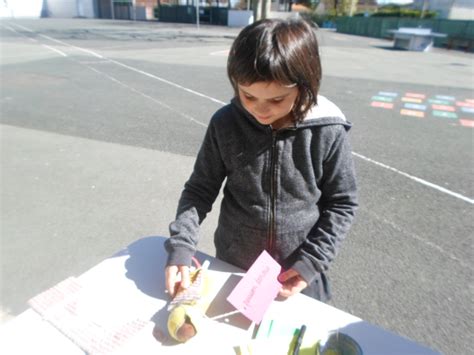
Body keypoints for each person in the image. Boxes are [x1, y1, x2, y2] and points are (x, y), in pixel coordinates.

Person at [164, 18, 358, 302]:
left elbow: (342, 203)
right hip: (234, 265)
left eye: (277, 100)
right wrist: (181, 246)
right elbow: (200, 189)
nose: (260, 110)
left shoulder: (326, 130)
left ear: (305, 86)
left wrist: (312, 262)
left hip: (297, 271)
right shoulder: (225, 123)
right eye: (247, 95)